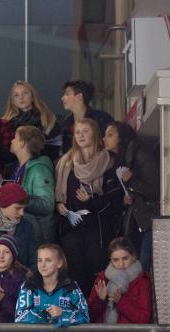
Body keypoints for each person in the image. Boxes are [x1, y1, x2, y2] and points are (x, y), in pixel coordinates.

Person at [55, 118, 123, 297]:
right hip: (72, 230)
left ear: (95, 134)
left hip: (98, 232)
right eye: (77, 132)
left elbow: (116, 201)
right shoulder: (65, 163)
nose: (81, 135)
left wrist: (91, 201)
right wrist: (60, 205)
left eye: (85, 131)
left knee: (97, 280)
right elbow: (60, 194)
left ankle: (97, 323)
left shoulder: (108, 161)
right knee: (75, 280)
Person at [103, 121, 159, 271]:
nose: (104, 139)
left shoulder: (139, 155)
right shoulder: (122, 159)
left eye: (110, 135)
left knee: (144, 266)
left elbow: (155, 189)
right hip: (139, 221)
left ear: (121, 138)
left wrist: (131, 182)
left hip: (150, 220)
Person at [8, 125, 56, 244]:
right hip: (23, 232)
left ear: (22, 143)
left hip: (38, 235)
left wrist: (17, 199)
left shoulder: (39, 169)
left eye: (15, 138)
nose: (11, 140)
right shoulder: (16, 168)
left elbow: (47, 205)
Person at [1, 80, 62, 161]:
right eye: (16, 95)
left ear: (33, 96)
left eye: (25, 93)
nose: (21, 97)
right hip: (14, 166)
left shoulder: (47, 118)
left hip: (43, 164)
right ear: (13, 101)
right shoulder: (6, 123)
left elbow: (55, 148)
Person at [61, 79, 114, 154]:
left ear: (79, 96)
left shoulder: (102, 119)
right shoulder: (66, 124)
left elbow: (111, 146)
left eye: (67, 94)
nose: (62, 98)